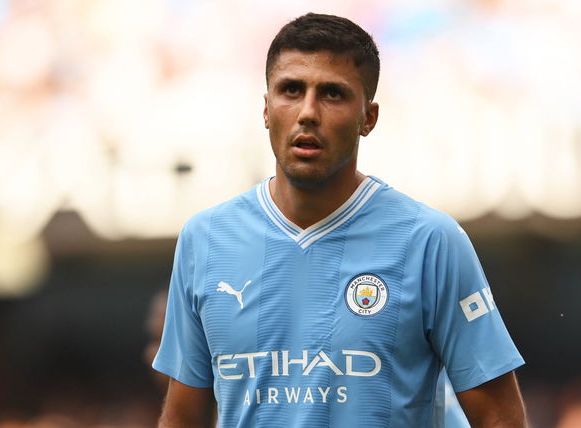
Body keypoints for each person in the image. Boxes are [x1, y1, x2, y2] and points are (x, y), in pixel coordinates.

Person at [153, 12, 526, 427]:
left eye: (332, 94)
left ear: (369, 117)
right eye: (291, 90)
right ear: (265, 109)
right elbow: (183, 418)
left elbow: (499, 417)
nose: (308, 112)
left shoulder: (430, 241)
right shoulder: (205, 239)